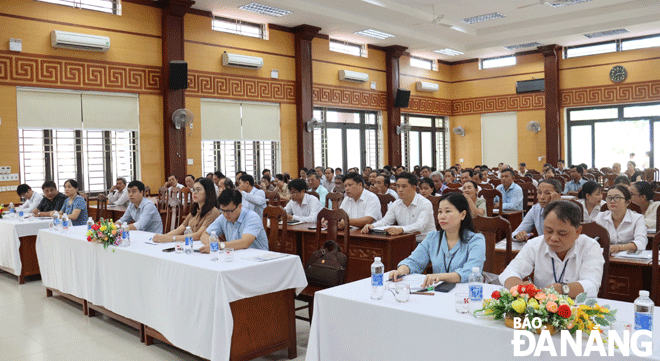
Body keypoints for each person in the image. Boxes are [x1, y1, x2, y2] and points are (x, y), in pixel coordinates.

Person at [499, 201, 604, 298]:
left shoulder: (590, 247)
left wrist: (561, 289)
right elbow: (509, 272)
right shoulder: (535, 245)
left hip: (577, 309)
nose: (553, 238)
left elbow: (591, 285)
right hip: (542, 309)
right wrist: (521, 287)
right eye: (548, 231)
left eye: (562, 233)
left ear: (578, 232)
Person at [388, 193, 486, 287]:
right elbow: (414, 261)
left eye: (447, 211)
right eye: (440, 212)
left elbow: (471, 272)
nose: (442, 216)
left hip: (465, 295)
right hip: (438, 293)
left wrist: (439, 276)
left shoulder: (476, 240)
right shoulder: (433, 238)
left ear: (463, 214)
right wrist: (401, 271)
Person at [362, 172, 435, 241]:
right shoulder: (396, 204)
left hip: (425, 241)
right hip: (405, 241)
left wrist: (401, 230)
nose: (400, 190)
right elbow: (386, 221)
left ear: (414, 188)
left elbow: (420, 226)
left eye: (404, 186)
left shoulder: (425, 203)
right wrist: (372, 226)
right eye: (398, 186)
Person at [152, 178, 220, 243]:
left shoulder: (213, 212)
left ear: (208, 192)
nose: (194, 192)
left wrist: (171, 238)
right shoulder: (195, 210)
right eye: (193, 189)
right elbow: (180, 229)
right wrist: (163, 237)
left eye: (198, 189)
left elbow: (198, 235)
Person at [200, 189, 269, 251]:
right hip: (237, 257)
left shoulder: (252, 217)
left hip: (258, 259)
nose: (225, 214)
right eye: (223, 210)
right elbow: (204, 234)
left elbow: (245, 242)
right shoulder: (223, 217)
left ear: (239, 206)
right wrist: (212, 245)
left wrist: (218, 246)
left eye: (229, 211)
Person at [594, 185, 647, 254]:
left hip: (628, 259)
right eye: (609, 198)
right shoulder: (600, 216)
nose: (612, 201)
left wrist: (619, 248)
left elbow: (641, 243)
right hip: (606, 257)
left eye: (617, 197)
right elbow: (592, 239)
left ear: (627, 202)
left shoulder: (638, 218)